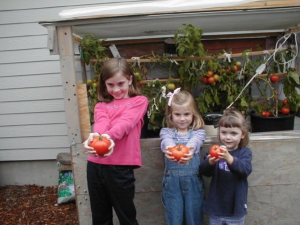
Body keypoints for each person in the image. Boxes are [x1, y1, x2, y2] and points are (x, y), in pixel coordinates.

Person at [83, 57, 148, 225]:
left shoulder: (139, 101)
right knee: (100, 218)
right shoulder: (101, 106)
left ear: (130, 80)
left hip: (120, 168)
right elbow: (101, 124)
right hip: (95, 167)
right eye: (110, 85)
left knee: (126, 217)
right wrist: (95, 137)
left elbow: (125, 123)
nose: (116, 89)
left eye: (121, 83)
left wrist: (108, 138)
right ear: (104, 83)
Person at [160, 88, 206, 225]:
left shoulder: (198, 133)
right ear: (171, 115)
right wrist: (169, 149)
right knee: (174, 218)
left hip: (193, 182)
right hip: (172, 183)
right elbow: (166, 142)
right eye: (177, 114)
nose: (182, 118)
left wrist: (189, 150)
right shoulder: (166, 132)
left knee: (194, 218)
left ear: (193, 115)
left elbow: (195, 142)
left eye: (186, 114)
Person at [199, 108, 252, 225]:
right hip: (217, 206)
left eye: (233, 133)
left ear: (242, 134)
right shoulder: (214, 151)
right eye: (224, 132)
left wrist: (229, 158)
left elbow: (245, 170)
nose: (228, 137)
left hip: (235, 207)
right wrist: (210, 163)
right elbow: (204, 171)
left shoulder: (244, 153)